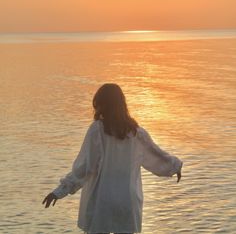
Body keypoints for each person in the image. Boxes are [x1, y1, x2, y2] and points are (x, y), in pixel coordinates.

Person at [42, 83, 183, 234]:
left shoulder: (97, 130)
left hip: (102, 202)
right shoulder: (136, 133)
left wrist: (60, 191)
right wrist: (174, 166)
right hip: (127, 201)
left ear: (103, 105)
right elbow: (156, 155)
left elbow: (85, 168)